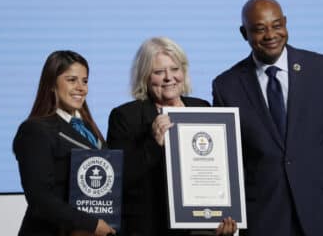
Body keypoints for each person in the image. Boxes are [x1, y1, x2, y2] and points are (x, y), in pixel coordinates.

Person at [212, 0, 323, 235]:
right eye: (260, 29)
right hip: (264, 217)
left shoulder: (322, 69)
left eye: (276, 25)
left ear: (286, 23)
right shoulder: (226, 85)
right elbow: (226, 161)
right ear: (244, 33)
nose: (271, 35)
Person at [107, 37, 237, 236]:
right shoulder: (125, 117)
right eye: (159, 72)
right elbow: (117, 180)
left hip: (201, 230)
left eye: (175, 69)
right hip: (151, 228)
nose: (169, 77)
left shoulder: (202, 108)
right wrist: (153, 143)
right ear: (145, 76)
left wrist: (225, 217)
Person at [13, 50, 116, 236]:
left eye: (85, 81)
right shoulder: (35, 130)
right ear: (52, 83)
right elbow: (40, 199)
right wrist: (92, 224)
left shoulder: (90, 129)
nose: (81, 88)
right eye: (72, 80)